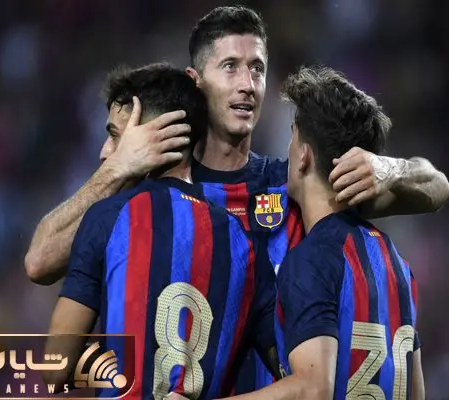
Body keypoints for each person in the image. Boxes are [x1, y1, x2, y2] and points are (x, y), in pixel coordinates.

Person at [27, 5, 449, 392]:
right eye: (230, 67)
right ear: (195, 80)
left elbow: (437, 188)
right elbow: (41, 260)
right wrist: (117, 169)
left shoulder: (295, 184)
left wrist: (388, 168)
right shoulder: (146, 194)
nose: (248, 85)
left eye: (258, 69)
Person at [44, 63, 281, 399]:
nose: (105, 151)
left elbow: (55, 370)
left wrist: (121, 353)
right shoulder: (245, 243)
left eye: (115, 135)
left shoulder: (108, 218)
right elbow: (293, 373)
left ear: (152, 134)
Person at [215, 66, 425, 400]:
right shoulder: (398, 265)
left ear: (304, 156)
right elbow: (416, 392)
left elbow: (313, 389)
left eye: (293, 137)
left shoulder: (310, 259)